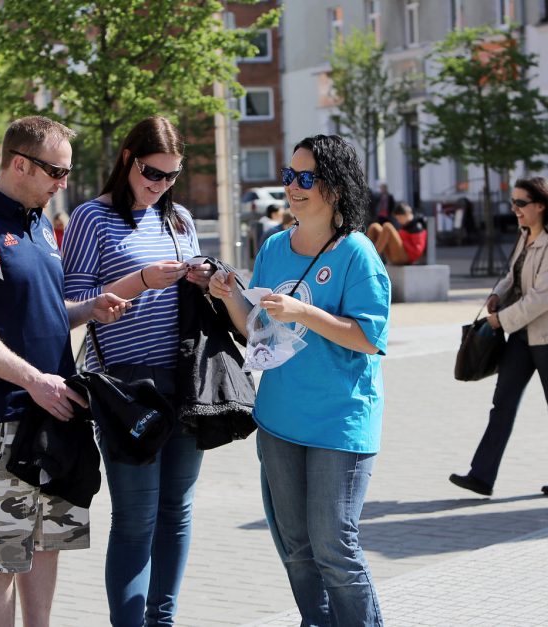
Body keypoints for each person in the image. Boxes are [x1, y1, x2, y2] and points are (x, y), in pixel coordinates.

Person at [0, 115, 129, 627]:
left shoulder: (39, 223)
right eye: (56, 172)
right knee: (5, 547)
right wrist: (33, 381)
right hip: (2, 414)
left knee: (48, 539)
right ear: (20, 163)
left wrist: (88, 310)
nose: (63, 183)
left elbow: (39, 311)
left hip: (58, 408)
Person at [209, 134, 390, 625]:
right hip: (279, 421)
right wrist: (229, 295)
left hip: (339, 423)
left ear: (334, 186)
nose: (293, 186)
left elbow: (369, 338)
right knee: (297, 549)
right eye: (289, 176)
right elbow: (258, 329)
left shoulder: (357, 254)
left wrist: (303, 312)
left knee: (335, 546)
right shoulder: (272, 247)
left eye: (305, 177)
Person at [61, 115, 213, 626]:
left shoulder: (180, 220)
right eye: (151, 173)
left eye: (170, 176)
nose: (159, 185)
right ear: (127, 159)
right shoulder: (90, 218)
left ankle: (162, 621)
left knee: (176, 513)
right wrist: (142, 280)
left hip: (184, 381)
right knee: (135, 519)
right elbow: (70, 305)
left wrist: (207, 279)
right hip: (126, 386)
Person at [449, 177, 548, 498]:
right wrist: (496, 296)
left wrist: (500, 321)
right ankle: (481, 476)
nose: (515, 210)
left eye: (521, 203)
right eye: (513, 203)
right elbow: (512, 276)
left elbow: (542, 298)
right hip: (523, 333)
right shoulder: (526, 234)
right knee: (503, 403)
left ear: (541, 205)